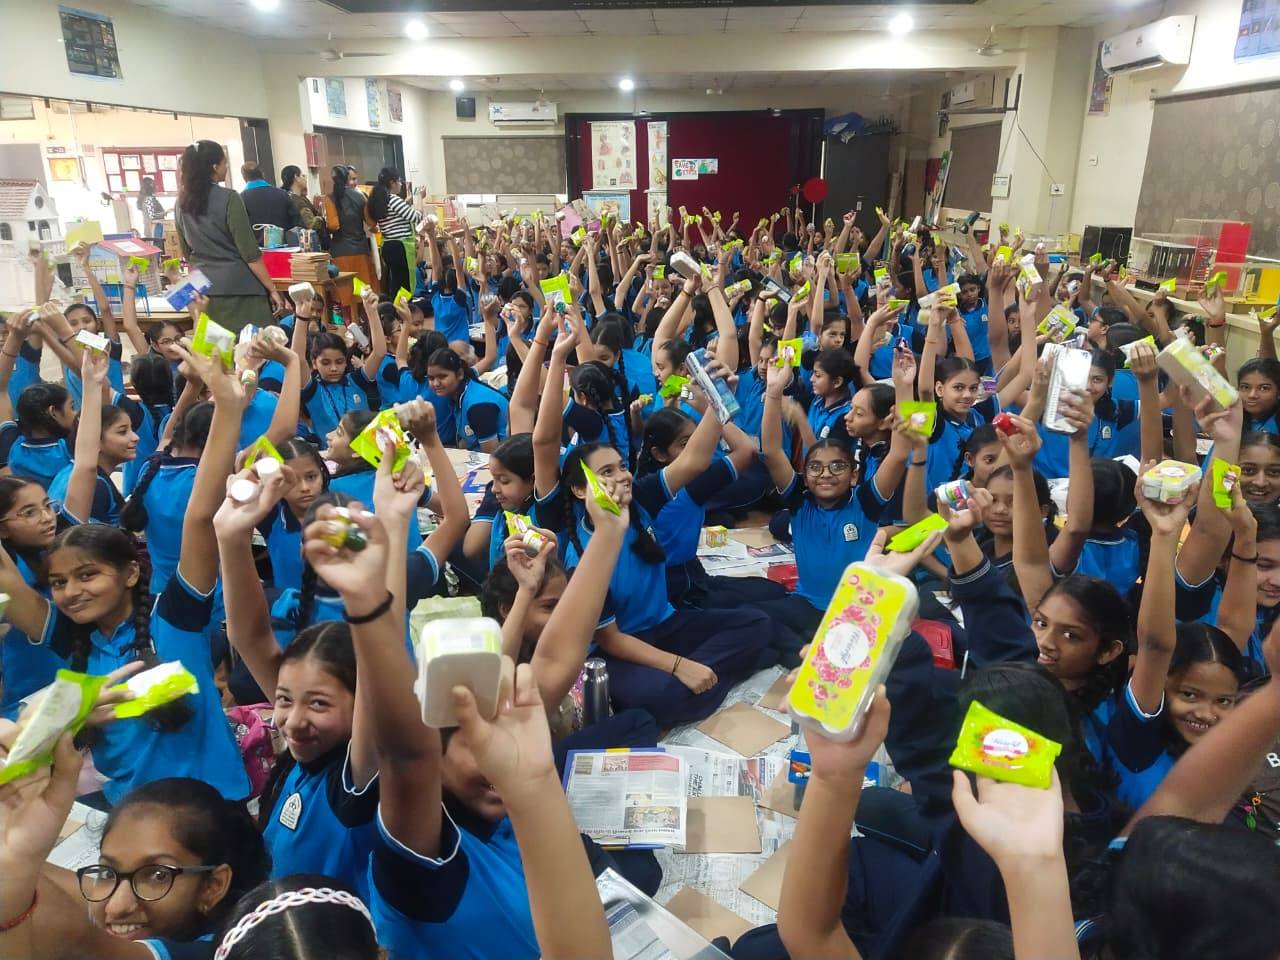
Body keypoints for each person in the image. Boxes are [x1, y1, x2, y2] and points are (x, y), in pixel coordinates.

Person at [175, 141, 284, 332]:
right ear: (214, 167)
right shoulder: (230, 198)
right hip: (241, 291)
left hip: (204, 292)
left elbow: (186, 251)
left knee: (216, 348)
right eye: (224, 163)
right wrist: (272, 289)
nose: (226, 168)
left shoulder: (181, 203)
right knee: (254, 346)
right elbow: (249, 252)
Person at [321, 164, 377, 298]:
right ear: (347, 178)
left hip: (340, 251)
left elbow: (334, 225)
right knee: (364, 292)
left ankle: (348, 313)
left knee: (345, 294)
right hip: (360, 250)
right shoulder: (361, 196)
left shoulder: (329, 198)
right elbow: (371, 222)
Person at [367, 166, 422, 299]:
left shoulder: (381, 200)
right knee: (405, 286)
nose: (401, 184)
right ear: (392, 183)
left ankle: (395, 309)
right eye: (399, 181)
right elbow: (417, 217)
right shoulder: (393, 200)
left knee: (396, 284)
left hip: (388, 246)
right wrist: (419, 199)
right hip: (400, 247)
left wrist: (406, 203)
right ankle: (404, 309)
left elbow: (397, 214)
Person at [239, 161, 299, 240]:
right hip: (284, 245)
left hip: (256, 247)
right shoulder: (282, 194)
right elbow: (297, 222)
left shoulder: (241, 199)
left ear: (244, 178)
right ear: (262, 174)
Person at [280, 164, 322, 232]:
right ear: (296, 177)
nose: (305, 179)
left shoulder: (286, 197)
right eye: (302, 175)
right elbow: (310, 225)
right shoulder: (297, 201)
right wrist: (321, 219)